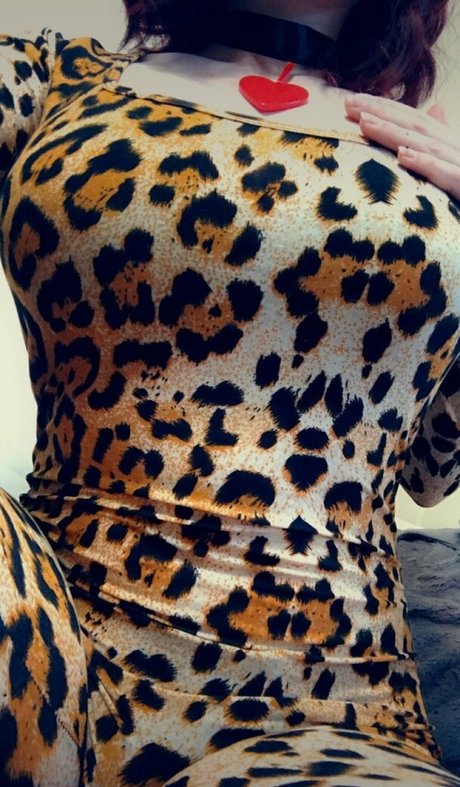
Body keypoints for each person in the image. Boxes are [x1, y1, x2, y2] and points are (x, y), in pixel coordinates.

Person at [0, 0, 459, 784]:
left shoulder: (427, 159)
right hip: (46, 644)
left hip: (328, 706)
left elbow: (433, 469)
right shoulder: (56, 79)